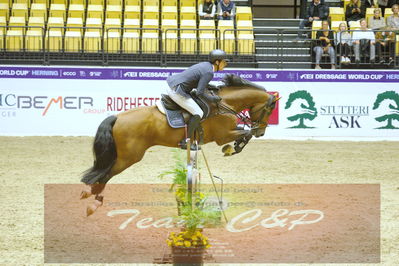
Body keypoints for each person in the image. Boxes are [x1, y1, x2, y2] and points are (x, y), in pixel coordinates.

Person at [166, 49, 228, 149]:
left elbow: (200, 83)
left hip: (174, 84)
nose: (225, 64)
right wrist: (213, 99)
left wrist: (211, 86)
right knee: (198, 112)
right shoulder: (209, 72)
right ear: (217, 62)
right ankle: (186, 142)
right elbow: (199, 92)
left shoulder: (206, 65)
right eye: (224, 62)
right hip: (177, 91)